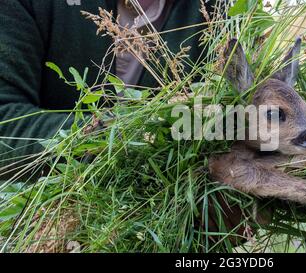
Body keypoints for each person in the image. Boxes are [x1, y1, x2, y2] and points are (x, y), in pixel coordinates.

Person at [0, 0, 263, 245]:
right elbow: (6, 126)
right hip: (34, 230)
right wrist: (132, 137)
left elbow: (247, 128)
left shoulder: (227, 9)